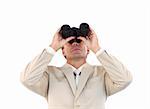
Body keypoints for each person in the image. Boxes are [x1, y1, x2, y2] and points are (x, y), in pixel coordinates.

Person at [20, 26, 132, 109]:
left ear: (87, 49)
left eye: (79, 41)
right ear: (62, 51)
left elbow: (125, 79)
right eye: (70, 42)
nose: (75, 44)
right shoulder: (50, 74)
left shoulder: (102, 73)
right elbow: (27, 79)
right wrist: (52, 47)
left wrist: (97, 48)